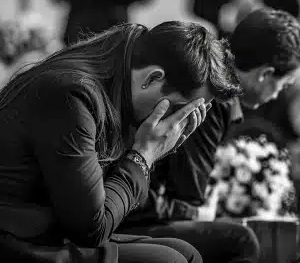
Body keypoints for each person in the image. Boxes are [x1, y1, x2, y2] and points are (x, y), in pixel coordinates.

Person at [0, 21, 242, 262]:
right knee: (173, 260)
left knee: (187, 252)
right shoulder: (71, 95)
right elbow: (91, 229)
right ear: (153, 78)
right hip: (22, 240)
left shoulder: (117, 77)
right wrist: (144, 154)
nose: (181, 122)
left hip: (54, 230)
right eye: (182, 110)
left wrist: (152, 153)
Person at [118, 8, 300, 263]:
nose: (279, 93)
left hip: (132, 203)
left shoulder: (211, 82)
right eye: (285, 84)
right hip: (131, 214)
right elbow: (187, 197)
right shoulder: (215, 99)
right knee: (241, 239)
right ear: (265, 74)